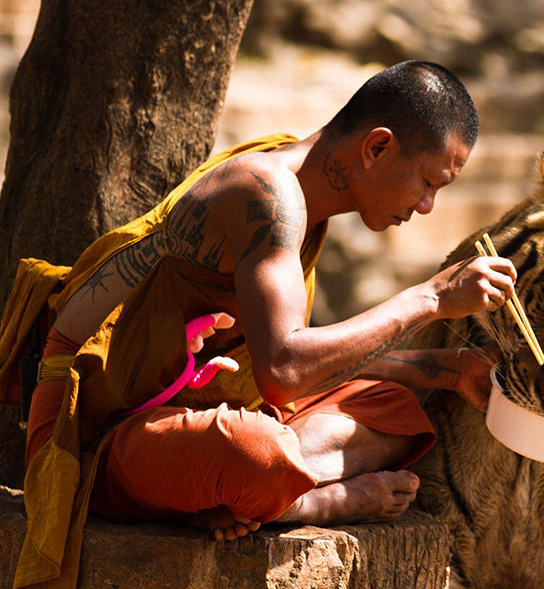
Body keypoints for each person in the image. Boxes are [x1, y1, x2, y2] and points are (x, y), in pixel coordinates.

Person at [3, 60, 516, 589]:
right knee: (257, 453)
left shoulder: (305, 201)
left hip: (211, 409)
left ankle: (240, 493)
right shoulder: (266, 195)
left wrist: (445, 370)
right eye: (430, 182)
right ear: (377, 147)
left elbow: (288, 360)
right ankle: (309, 501)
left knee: (395, 411)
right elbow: (284, 371)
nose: (428, 206)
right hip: (112, 434)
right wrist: (429, 298)